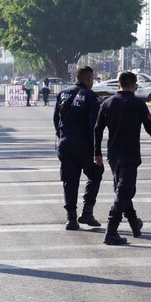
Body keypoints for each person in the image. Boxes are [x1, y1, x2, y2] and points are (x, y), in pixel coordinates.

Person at [94, 71, 151, 245]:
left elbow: (97, 129)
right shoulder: (138, 103)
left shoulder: (107, 103)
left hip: (113, 154)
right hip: (130, 153)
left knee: (122, 190)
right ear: (133, 86)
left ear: (118, 85)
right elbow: (149, 124)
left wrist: (97, 153)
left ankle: (134, 223)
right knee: (125, 190)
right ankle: (111, 230)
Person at [53, 66, 103, 230]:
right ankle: (87, 212)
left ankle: (71, 219)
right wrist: (97, 151)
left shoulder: (63, 94)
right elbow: (94, 126)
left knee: (70, 180)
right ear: (88, 79)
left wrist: (63, 136)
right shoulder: (91, 96)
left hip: (65, 143)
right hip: (84, 144)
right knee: (95, 174)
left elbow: (56, 120)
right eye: (92, 79)